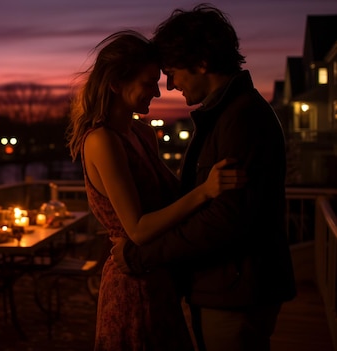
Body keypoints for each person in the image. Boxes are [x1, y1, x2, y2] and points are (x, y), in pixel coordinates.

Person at [111, 4, 297, 351]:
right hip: (228, 284)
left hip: (235, 288)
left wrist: (141, 256)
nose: (170, 84)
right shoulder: (229, 113)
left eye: (173, 71)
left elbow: (225, 218)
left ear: (201, 63)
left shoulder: (240, 119)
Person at [66, 29, 245, 351]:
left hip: (159, 275)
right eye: (148, 83)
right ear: (116, 83)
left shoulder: (141, 132)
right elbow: (137, 229)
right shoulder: (102, 140)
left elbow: (174, 197)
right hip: (131, 281)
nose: (158, 94)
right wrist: (205, 191)